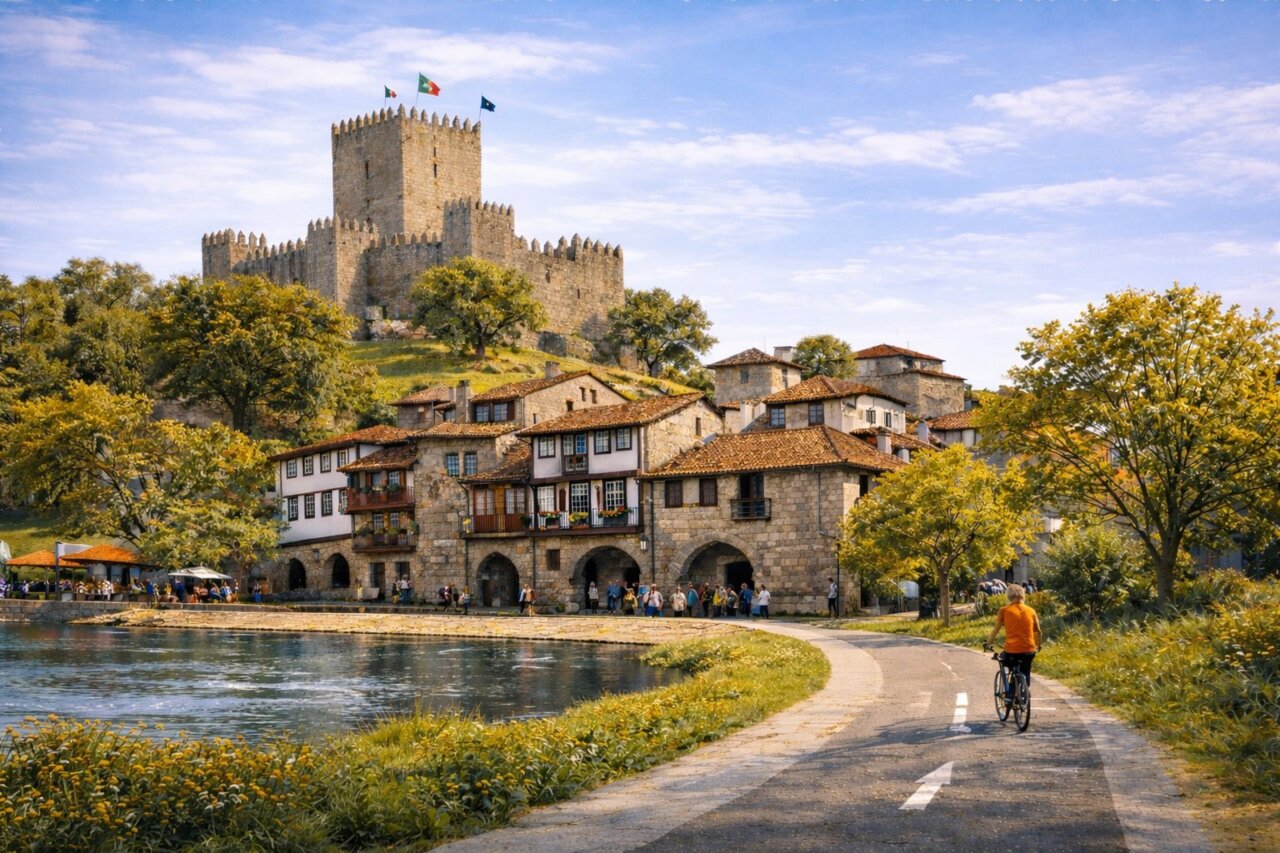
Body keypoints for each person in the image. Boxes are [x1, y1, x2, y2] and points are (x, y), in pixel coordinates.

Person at [985, 584, 1043, 698]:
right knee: (1025, 669)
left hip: (1012, 650)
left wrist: (989, 643)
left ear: (1008, 596)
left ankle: (1010, 693)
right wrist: (1038, 645)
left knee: (1005, 661)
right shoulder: (1031, 610)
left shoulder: (1004, 610)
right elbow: (1038, 631)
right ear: (1023, 596)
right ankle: (1025, 689)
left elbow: (996, 629)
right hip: (1029, 649)